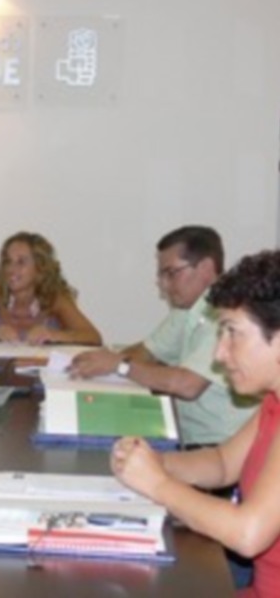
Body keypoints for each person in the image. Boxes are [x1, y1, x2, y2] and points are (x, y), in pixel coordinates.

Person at [110, 249, 280, 597]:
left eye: (233, 333)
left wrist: (158, 484)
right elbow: (221, 463)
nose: (219, 353)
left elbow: (248, 533)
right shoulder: (273, 403)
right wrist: (153, 462)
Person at [70, 225, 258, 446]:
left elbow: (187, 386)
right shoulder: (188, 309)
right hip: (185, 439)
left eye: (171, 273)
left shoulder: (226, 314)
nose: (164, 284)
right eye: (161, 275)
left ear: (206, 268)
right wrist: (99, 361)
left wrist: (120, 366)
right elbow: (146, 352)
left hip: (221, 448)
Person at [0, 232, 102, 345]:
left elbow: (93, 336)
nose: (11, 269)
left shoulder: (55, 298)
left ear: (40, 268)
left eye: (21, 262)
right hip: (1, 380)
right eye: (8, 261)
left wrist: (54, 335)